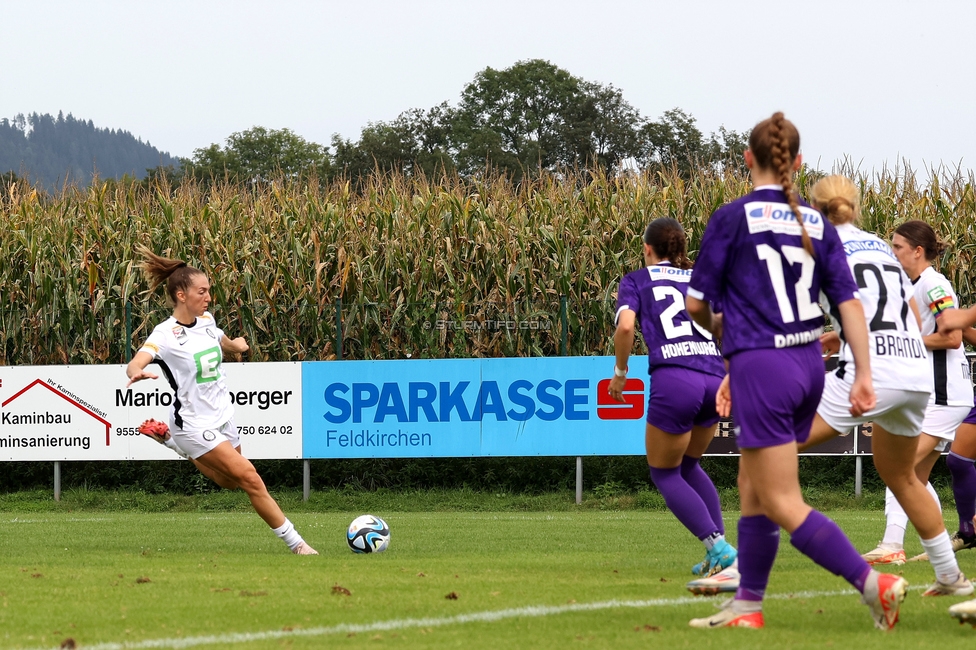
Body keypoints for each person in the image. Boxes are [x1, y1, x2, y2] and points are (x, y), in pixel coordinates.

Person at [683, 112, 906, 631]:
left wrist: (724, 328)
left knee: (781, 498)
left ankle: (873, 583)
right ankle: (748, 605)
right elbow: (848, 303)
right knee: (753, 484)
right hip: (809, 363)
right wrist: (864, 373)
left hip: (763, 364)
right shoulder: (815, 221)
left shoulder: (732, 217)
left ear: (747, 159)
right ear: (798, 163)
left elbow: (697, 305)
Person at [795, 177, 971, 596]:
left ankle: (739, 568)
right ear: (854, 208)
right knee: (900, 474)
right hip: (914, 374)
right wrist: (845, 332)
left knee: (766, 445)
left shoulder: (818, 246)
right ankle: (950, 576)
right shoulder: (879, 247)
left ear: (817, 211)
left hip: (873, 370)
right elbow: (905, 312)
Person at [126, 245, 318, 555]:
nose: (208, 297)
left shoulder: (207, 322)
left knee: (232, 483)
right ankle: (298, 545)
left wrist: (237, 347)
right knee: (250, 477)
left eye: (209, 291)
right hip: (191, 422)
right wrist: (137, 372)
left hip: (222, 414)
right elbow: (137, 361)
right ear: (181, 295)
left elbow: (222, 341)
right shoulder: (164, 334)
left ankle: (173, 444)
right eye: (202, 292)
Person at [608, 217, 738, 596]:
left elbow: (626, 328)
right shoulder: (701, 278)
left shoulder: (636, 279)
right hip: (714, 377)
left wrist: (620, 372)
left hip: (675, 377)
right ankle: (721, 554)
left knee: (664, 474)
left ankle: (720, 550)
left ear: (647, 249)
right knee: (689, 465)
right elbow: (725, 324)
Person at [856, 221, 973, 566]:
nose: (893, 253)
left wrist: (906, 342)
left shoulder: (934, 283)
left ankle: (893, 544)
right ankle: (934, 556)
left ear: (918, 251)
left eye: (897, 247)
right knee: (913, 477)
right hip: (937, 395)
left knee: (898, 468)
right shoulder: (915, 284)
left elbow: (952, 337)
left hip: (944, 396)